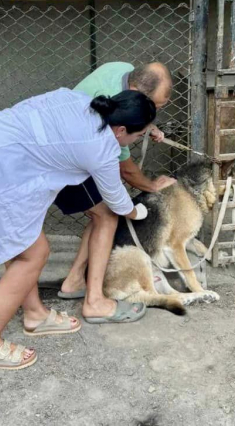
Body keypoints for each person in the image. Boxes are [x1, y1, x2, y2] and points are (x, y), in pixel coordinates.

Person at [0, 87, 156, 371]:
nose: (136, 142)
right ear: (121, 129)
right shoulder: (101, 147)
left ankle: (35, 314)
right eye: (138, 136)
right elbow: (117, 201)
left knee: (24, 246)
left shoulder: (79, 100)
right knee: (33, 255)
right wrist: (139, 211)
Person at [55, 61, 177, 320]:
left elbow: (132, 110)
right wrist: (152, 186)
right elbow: (127, 172)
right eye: (155, 106)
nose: (156, 112)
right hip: (67, 158)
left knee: (102, 214)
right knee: (108, 215)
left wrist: (148, 125)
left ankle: (75, 281)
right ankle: (94, 302)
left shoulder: (122, 69)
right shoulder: (113, 131)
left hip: (68, 146)